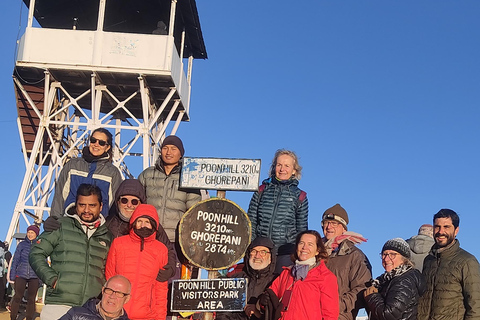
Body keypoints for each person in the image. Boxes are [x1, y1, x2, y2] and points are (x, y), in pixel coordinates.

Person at [30, 184, 113, 319]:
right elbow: (36, 253)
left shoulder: (107, 236)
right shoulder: (61, 226)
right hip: (59, 305)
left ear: (101, 206)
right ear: (75, 205)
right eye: (82, 205)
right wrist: (53, 280)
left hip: (91, 309)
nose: (86, 210)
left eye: (92, 205)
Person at [247, 149, 308, 274]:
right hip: (261, 251)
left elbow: (302, 230)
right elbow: (251, 220)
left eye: (287, 166)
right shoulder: (261, 190)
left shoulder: (300, 196)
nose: (282, 169)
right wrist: (252, 246)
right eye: (279, 165)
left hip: (285, 253)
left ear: (294, 171)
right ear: (274, 167)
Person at [256, 230, 339, 320]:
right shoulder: (286, 273)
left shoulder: (325, 277)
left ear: (317, 251)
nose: (304, 247)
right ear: (296, 248)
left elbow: (330, 315)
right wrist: (262, 302)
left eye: (310, 244)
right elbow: (270, 298)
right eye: (301, 243)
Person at [105, 204, 169, 320]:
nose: (143, 225)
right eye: (139, 221)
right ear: (133, 222)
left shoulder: (161, 250)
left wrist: (160, 317)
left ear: (154, 225)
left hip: (147, 315)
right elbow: (110, 277)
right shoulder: (119, 243)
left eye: (147, 222)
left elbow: (161, 288)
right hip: (118, 313)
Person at [106, 179, 176, 282]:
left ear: (141, 203)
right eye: (124, 200)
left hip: (143, 283)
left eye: (134, 201)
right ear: (117, 202)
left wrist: (169, 268)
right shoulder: (108, 224)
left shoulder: (151, 226)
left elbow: (168, 250)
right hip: (116, 283)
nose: (129, 205)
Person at [418, 209, 480, 320]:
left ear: (456, 230)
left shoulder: (467, 261)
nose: (440, 231)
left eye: (446, 227)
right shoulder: (428, 260)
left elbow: (476, 305)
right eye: (437, 226)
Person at [138, 135, 202, 243]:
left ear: (181, 153)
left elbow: (194, 212)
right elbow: (137, 203)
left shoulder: (188, 178)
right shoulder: (147, 174)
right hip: (148, 236)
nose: (168, 152)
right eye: (165, 148)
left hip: (175, 240)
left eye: (173, 149)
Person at [50, 128, 122, 218]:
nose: (96, 144)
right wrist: (54, 219)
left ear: (107, 147)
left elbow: (114, 204)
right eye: (93, 140)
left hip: (98, 225)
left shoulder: (112, 173)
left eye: (101, 143)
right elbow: (59, 196)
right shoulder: (72, 165)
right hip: (70, 220)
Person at [321, 204, 372, 320]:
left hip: (338, 315)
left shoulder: (354, 255)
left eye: (334, 223)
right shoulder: (314, 252)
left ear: (343, 228)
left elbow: (362, 288)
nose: (329, 227)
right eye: (326, 222)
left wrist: (337, 305)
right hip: (311, 313)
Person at [364, 238, 426, 320]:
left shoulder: (404, 281)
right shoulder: (385, 280)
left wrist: (372, 297)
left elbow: (389, 315)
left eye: (392, 254)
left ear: (404, 258)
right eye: (384, 254)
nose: (386, 259)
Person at [216, 237, 277, 320]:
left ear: (271, 258)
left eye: (263, 252)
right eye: (254, 251)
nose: (257, 256)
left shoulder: (277, 281)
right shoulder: (235, 279)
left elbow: (280, 313)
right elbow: (223, 313)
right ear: (248, 255)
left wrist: (259, 311)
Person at [60, 275, 131, 320]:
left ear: (127, 299)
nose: (112, 296)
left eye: (119, 293)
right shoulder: (76, 314)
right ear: (103, 291)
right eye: (109, 290)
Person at [9, 225, 40, 320]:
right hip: (21, 274)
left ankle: (29, 318)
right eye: (28, 232)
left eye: (32, 233)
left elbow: (42, 262)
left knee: (31, 299)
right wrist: (12, 275)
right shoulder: (21, 245)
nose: (30, 234)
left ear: (36, 234)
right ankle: (13, 317)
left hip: (34, 275)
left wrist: (41, 279)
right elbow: (16, 260)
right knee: (17, 296)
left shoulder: (39, 246)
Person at [0, 241, 12, 310]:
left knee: (2, 288)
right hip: (4, 272)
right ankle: (2, 303)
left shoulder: (7, 254)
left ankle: (2, 303)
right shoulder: (7, 253)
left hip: (3, 272)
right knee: (2, 288)